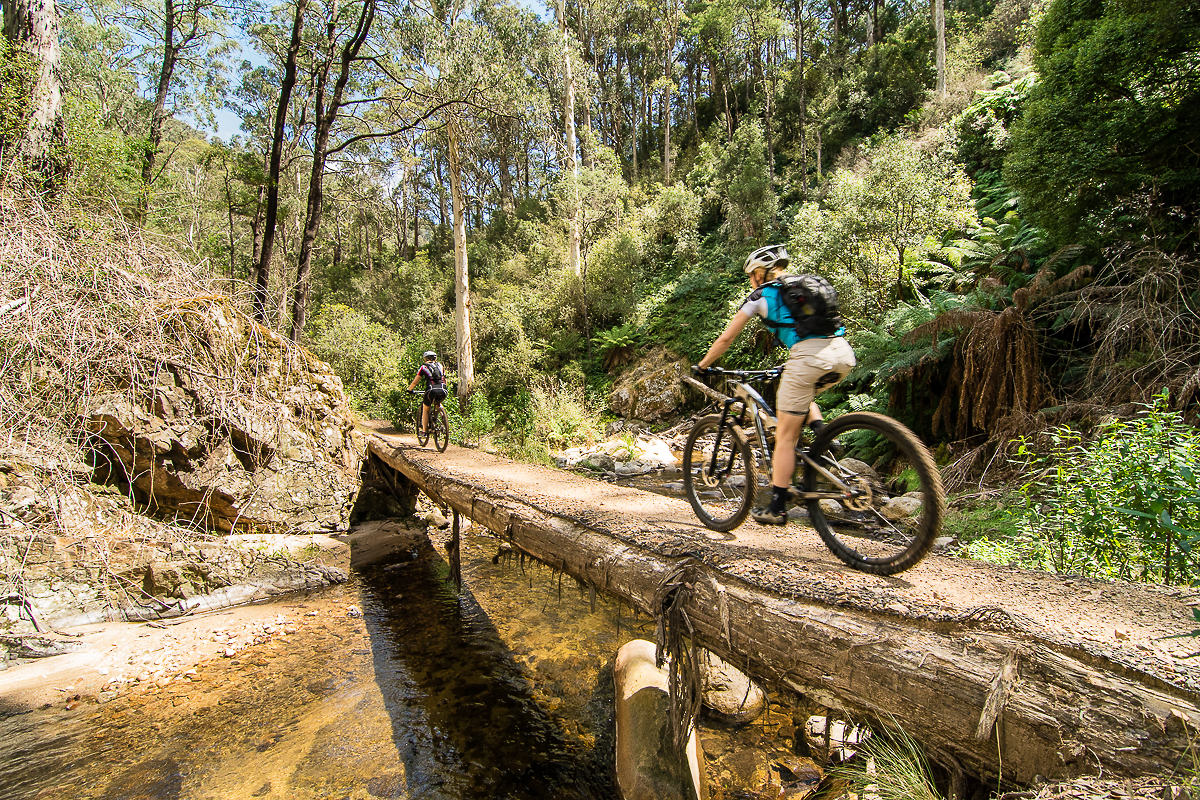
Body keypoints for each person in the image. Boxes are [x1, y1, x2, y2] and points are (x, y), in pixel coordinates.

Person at [694, 244, 855, 525]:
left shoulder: (760, 296)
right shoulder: (802, 289)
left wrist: (703, 365)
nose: (750, 281)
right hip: (842, 354)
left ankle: (777, 507)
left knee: (785, 435)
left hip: (807, 359)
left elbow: (725, 340)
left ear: (758, 273)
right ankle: (824, 438)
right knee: (803, 396)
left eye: (750, 276)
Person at [408, 351, 448, 436]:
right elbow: (444, 379)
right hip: (443, 390)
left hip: (431, 391)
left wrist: (409, 389)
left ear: (425, 359)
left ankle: (425, 431)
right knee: (438, 404)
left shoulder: (424, 367)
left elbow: (415, 382)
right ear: (435, 358)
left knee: (425, 409)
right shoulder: (440, 366)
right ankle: (444, 419)